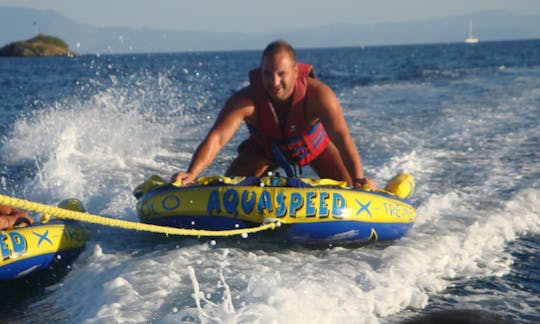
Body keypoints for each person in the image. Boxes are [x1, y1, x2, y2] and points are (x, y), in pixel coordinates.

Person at [171, 40, 376, 190]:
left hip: (315, 149)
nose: (274, 82)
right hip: (264, 151)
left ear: (295, 72)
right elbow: (216, 139)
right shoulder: (245, 101)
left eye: (281, 74)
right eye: (267, 74)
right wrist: (192, 173)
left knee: (350, 188)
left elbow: (341, 137)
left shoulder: (319, 96)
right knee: (228, 194)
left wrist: (358, 178)